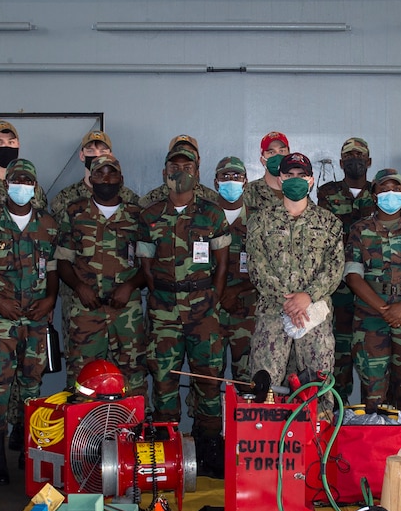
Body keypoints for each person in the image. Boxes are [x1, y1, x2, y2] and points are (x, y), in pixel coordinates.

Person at [137, 145, 230, 473]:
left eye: (186, 166)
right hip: (164, 312)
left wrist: (213, 299)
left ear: (196, 173)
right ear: (165, 173)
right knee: (163, 381)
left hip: (203, 310)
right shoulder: (149, 216)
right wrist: (161, 295)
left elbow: (222, 264)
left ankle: (208, 450)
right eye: (173, 166)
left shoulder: (212, 214)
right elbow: (145, 265)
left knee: (209, 379)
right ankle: (167, 454)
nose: (180, 172)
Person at [0, 158, 58, 485]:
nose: (21, 186)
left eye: (27, 181)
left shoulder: (47, 224)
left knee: (32, 386)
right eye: (15, 180)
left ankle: (29, 450)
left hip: (34, 317)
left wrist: (51, 299)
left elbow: (51, 268)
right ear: (6, 185)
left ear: (34, 187)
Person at [246, 152, 345, 413]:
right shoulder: (260, 221)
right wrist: (287, 301)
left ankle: (319, 446)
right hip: (272, 316)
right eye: (289, 175)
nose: (295, 180)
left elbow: (335, 268)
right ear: (279, 179)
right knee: (263, 387)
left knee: (319, 388)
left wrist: (308, 296)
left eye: (301, 176)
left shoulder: (329, 223)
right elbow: (257, 267)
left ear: (311, 181)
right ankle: (264, 445)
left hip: (314, 317)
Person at [343, 168, 401, 426]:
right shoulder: (360, 230)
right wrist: (385, 309)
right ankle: (373, 449)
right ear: (374, 195)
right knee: (373, 390)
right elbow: (352, 275)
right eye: (384, 190)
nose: (390, 194)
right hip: (371, 319)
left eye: (396, 189)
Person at [55, 154, 148, 394]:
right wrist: (79, 287)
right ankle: (83, 430)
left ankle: (131, 429)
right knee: (82, 376)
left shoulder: (137, 215)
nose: (106, 179)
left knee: (132, 374)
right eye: (99, 174)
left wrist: (130, 285)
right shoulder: (74, 213)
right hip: (87, 310)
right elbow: (62, 260)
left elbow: (150, 263)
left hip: (126, 311)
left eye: (112, 173)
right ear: (91, 179)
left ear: (121, 178)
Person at [316, 136, 376, 406]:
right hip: (338, 291)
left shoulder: (380, 194)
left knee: (372, 362)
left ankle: (370, 423)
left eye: (360, 158)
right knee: (338, 359)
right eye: (349, 159)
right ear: (341, 163)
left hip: (372, 290)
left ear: (369, 162)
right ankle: (337, 426)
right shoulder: (327, 193)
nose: (355, 163)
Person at [214, 155, 258, 383]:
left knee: (248, 380)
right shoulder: (204, 216)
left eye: (237, 176)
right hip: (210, 311)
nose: (231, 181)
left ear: (246, 182)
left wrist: (237, 290)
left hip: (248, 310)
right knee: (208, 379)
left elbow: (269, 266)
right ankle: (207, 421)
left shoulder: (258, 219)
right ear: (216, 182)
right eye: (225, 176)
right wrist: (221, 294)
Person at [140, 134, 220, 208]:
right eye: (178, 150)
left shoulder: (212, 199)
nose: (184, 154)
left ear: (198, 160)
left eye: (190, 152)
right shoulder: (150, 199)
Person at [243, 131, 290, 214]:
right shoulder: (250, 191)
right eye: (271, 152)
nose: (277, 156)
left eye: (282, 151)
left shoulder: (298, 189)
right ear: (263, 160)